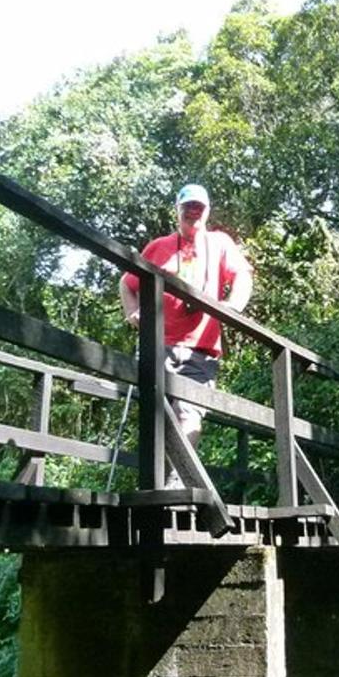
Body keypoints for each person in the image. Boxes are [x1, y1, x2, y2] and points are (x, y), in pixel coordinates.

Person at [119, 183, 254, 486]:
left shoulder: (219, 243)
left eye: (199, 207)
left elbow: (243, 276)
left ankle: (177, 482)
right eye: (188, 207)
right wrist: (132, 313)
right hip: (157, 343)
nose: (193, 212)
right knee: (155, 413)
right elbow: (127, 283)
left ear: (207, 212)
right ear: (178, 210)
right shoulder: (159, 246)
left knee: (188, 412)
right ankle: (155, 482)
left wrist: (232, 307)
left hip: (200, 347)